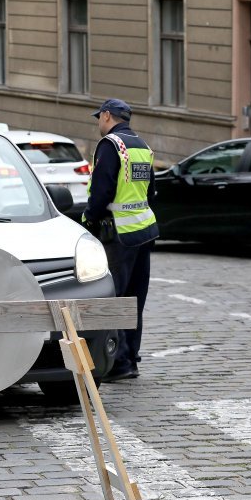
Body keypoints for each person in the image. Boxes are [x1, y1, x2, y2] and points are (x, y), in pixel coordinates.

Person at [82, 98, 159, 382]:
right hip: (144, 232)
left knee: (114, 299)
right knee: (134, 300)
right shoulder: (142, 146)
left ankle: (118, 362)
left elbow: (101, 191)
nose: (98, 124)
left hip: (118, 235)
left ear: (106, 116)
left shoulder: (111, 145)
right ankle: (131, 359)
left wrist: (89, 219)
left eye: (98, 118)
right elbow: (151, 193)